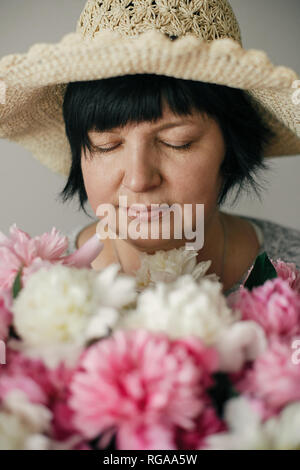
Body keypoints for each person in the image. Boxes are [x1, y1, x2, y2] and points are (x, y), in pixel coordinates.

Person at [1, 0, 299, 296]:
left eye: (176, 142)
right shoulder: (29, 290)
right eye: (107, 145)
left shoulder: (292, 273)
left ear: (232, 147)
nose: (139, 179)